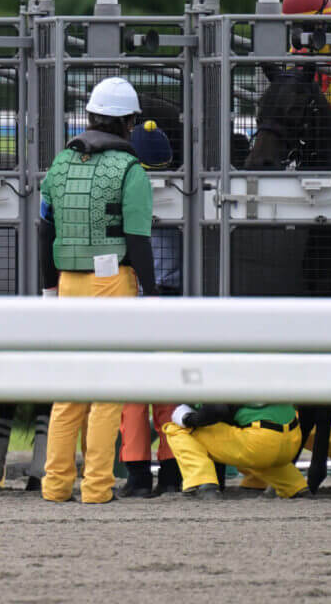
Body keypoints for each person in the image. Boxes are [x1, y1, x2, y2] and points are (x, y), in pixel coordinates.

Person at [39, 77, 155, 505]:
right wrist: (153, 295)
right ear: (128, 123)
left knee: (68, 394)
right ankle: (97, 488)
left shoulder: (59, 164)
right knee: (106, 395)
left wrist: (49, 287)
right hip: (112, 283)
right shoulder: (131, 171)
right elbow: (138, 240)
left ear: (89, 117)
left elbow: (45, 228)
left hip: (67, 282)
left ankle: (54, 487)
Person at [118, 119, 180, 497]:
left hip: (131, 299)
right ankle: (173, 474)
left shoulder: (126, 189)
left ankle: (138, 476)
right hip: (171, 302)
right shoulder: (181, 197)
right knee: (169, 392)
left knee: (131, 395)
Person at [160, 403, 308, 499]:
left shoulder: (216, 370)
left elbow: (216, 409)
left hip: (260, 442)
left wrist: (187, 418)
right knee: (258, 450)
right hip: (292, 440)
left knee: (176, 428)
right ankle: (295, 486)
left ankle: (202, 483)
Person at [281, 0, 331, 115]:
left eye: (301, 24)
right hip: (304, 125)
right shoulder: (293, 54)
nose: (297, 31)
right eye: (295, 25)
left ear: (320, 23)